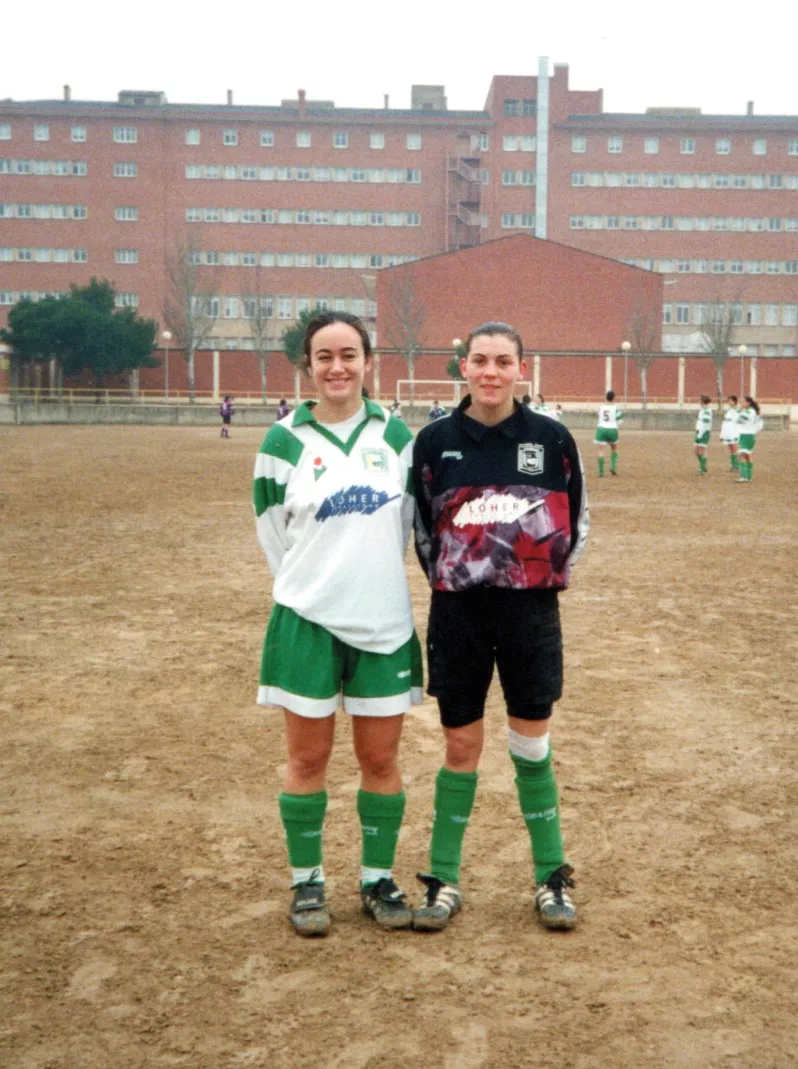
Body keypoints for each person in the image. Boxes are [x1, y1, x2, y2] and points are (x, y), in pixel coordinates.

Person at [411, 321, 589, 933]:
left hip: (531, 613)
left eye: (502, 361)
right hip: (458, 613)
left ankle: (550, 879)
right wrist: (464, 578)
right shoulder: (434, 441)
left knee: (530, 747)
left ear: (521, 367)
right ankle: (441, 880)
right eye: (480, 360)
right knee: (460, 748)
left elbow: (579, 522)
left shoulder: (553, 439)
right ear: (464, 367)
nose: (491, 372)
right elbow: (421, 531)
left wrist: (528, 577)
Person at [253, 311, 422, 937]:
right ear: (307, 365)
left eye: (348, 354)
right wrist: (318, 586)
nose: (337, 367)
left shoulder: (398, 437)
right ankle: (307, 884)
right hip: (307, 622)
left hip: (382, 622)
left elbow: (408, 527)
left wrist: (362, 578)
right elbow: (274, 536)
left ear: (368, 361)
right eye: (323, 356)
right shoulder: (281, 443)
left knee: (381, 759)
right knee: (308, 758)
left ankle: (377, 878)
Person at [595, 390, 623, 476]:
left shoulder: (601, 407)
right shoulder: (616, 409)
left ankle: (601, 472)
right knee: (614, 448)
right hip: (612, 429)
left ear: (606, 397)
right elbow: (619, 422)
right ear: (614, 398)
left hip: (601, 429)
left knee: (600, 450)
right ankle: (613, 467)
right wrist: (617, 431)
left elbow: (599, 415)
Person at [735, 396, 763, 483]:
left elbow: (739, 419)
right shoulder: (753, 411)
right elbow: (760, 425)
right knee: (747, 456)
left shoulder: (749, 411)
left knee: (741, 456)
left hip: (746, 435)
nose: (741, 404)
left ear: (749, 403)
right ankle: (749, 477)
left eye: (743, 402)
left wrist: (739, 412)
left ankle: (743, 477)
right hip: (749, 435)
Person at [720, 395, 741, 472]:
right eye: (728, 401)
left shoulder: (738, 410)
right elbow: (725, 422)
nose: (729, 402)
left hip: (734, 431)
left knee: (735, 448)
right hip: (728, 431)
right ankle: (733, 465)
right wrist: (722, 434)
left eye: (730, 401)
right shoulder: (728, 411)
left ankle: (738, 465)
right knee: (731, 449)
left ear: (734, 401)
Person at [694, 394, 712, 475]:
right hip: (698, 431)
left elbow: (705, 424)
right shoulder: (702, 410)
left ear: (702, 401)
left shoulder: (707, 411)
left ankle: (701, 469)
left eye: (700, 400)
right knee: (696, 451)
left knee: (702, 450)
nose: (699, 401)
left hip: (704, 432)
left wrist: (700, 435)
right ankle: (703, 466)